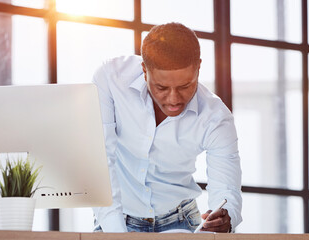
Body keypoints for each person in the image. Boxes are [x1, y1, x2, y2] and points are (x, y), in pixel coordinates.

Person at [92, 22, 242, 233]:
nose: (173, 99)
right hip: (117, 218)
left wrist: (226, 218)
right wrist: (117, 235)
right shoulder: (111, 78)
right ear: (144, 71)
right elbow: (100, 161)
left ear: (198, 68)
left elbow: (226, 189)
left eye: (185, 86)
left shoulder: (216, 119)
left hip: (181, 222)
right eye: (161, 87)